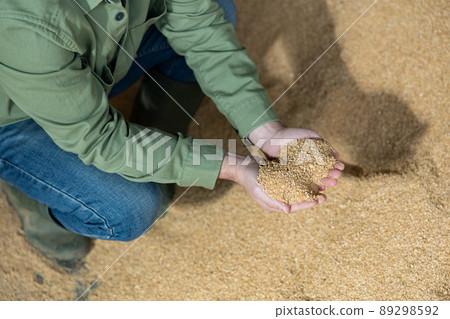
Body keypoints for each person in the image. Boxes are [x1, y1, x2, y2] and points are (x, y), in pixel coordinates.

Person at [0, 0, 343, 268]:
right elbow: (101, 139)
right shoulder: (21, 19)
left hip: (81, 68)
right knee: (131, 206)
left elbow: (199, 24)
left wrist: (265, 129)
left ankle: (157, 144)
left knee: (218, 9)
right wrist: (234, 167)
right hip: (16, 116)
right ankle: (34, 195)